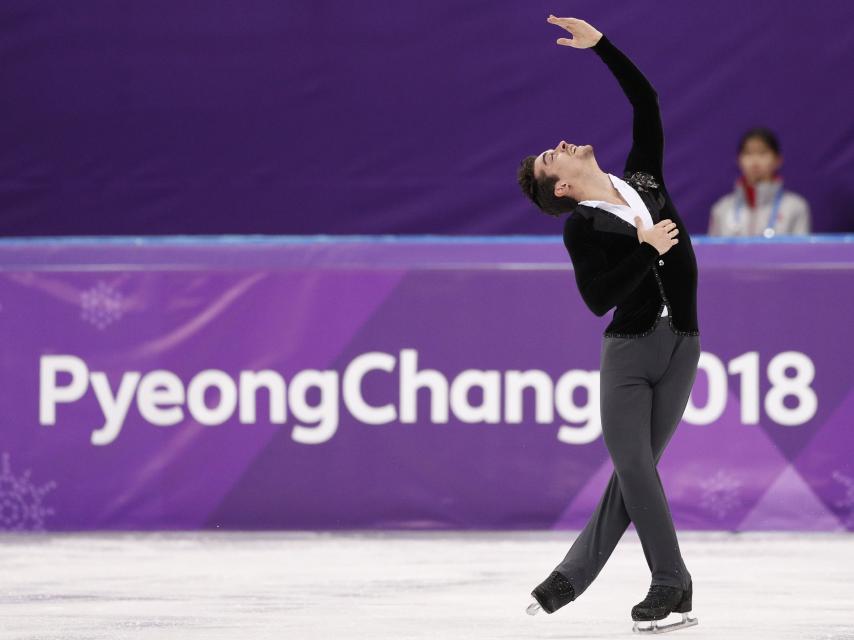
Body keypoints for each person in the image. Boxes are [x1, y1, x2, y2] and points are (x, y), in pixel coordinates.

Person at [516, 15, 701, 634]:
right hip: (629, 355)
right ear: (562, 186)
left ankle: (569, 578)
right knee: (635, 468)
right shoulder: (582, 226)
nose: (562, 143)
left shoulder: (642, 176)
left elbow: (645, 100)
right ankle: (671, 581)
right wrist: (647, 248)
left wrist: (603, 47)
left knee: (635, 474)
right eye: (552, 157)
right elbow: (598, 297)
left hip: (684, 346)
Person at [708, 127, 811, 237]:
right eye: (748, 153)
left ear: (778, 160)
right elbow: (713, 252)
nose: (755, 160)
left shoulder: (795, 207)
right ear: (739, 160)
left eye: (762, 153)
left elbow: (801, 253)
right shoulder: (721, 209)